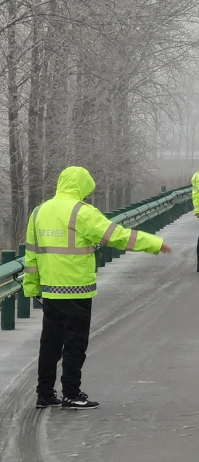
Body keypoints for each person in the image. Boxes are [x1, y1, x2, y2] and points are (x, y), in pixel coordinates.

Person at [24, 166, 171, 410]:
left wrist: (32, 288)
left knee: (50, 343)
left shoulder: (39, 212)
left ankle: (45, 393)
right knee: (75, 343)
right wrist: (153, 243)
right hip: (76, 290)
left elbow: (31, 255)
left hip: (50, 290)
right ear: (81, 186)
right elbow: (117, 236)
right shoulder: (81, 213)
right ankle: (71, 393)